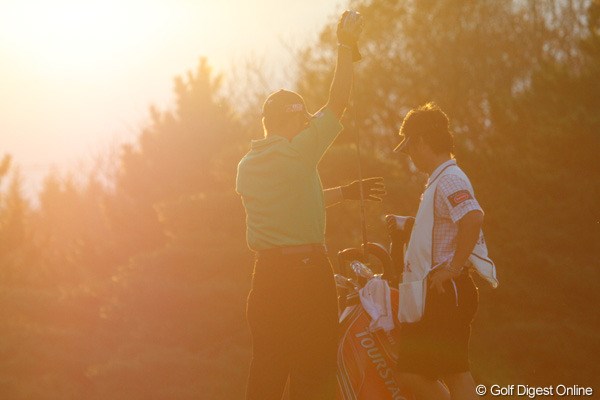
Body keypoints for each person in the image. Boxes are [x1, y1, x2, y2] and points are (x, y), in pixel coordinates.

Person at [235, 11, 386, 400]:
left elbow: (291, 205)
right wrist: (345, 47)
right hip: (306, 274)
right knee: (314, 366)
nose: (307, 123)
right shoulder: (298, 153)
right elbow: (338, 101)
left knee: (267, 366)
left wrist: (344, 193)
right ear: (296, 118)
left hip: (266, 276)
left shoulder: (249, 164)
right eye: (303, 118)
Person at [391, 103, 498, 400]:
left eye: (410, 147)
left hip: (447, 290)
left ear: (422, 142)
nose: (410, 155)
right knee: (415, 372)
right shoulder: (440, 178)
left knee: (452, 372)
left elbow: (473, 217)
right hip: (438, 292)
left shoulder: (450, 177)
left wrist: (452, 267)